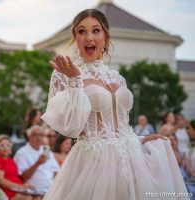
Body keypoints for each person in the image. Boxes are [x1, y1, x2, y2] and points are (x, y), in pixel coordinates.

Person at [41, 9, 188, 200]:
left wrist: (142, 140)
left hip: (132, 159)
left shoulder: (117, 77)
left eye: (96, 30)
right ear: (75, 37)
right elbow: (71, 128)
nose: (89, 37)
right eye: (81, 31)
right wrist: (75, 80)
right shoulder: (64, 74)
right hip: (94, 163)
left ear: (105, 36)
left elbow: (121, 128)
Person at [14, 125, 59, 199]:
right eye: (35, 135)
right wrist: (38, 163)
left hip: (50, 190)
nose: (38, 138)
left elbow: (56, 171)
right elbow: (22, 178)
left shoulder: (46, 150)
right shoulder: (21, 153)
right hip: (34, 192)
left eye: (41, 135)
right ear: (29, 136)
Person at [0, 136, 32, 200]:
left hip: (17, 189)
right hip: (5, 190)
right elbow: (0, 181)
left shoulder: (11, 160)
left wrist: (25, 186)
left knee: (37, 196)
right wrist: (20, 187)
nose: (5, 148)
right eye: (2, 145)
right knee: (28, 197)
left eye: (8, 145)